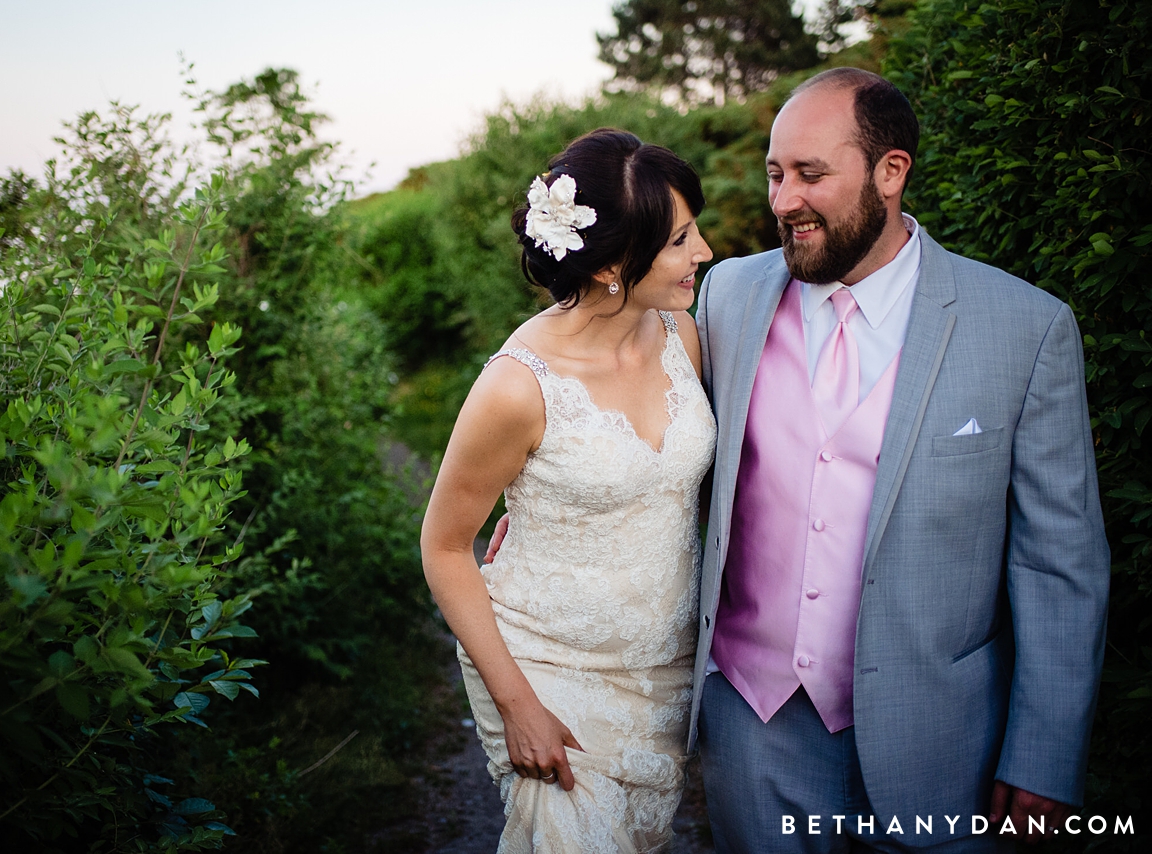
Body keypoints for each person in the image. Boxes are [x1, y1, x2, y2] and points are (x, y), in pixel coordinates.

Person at [690, 67, 1110, 852]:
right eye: (776, 174)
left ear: (891, 172)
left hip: (946, 744)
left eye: (812, 175)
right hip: (754, 729)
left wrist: (1046, 754)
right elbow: (660, 443)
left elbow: (1061, 563)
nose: (783, 201)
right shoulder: (727, 298)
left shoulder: (1026, 328)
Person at [420, 129, 716, 852]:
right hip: (547, 668)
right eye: (680, 240)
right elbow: (444, 546)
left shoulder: (683, 334)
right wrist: (517, 704)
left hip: (663, 676)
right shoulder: (516, 386)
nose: (704, 251)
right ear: (615, 263)